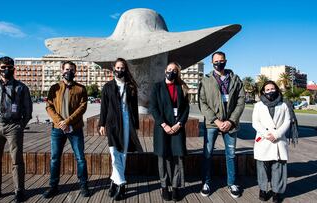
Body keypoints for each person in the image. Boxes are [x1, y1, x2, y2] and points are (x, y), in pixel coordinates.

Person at [0, 56, 33, 202]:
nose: (6, 69)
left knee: (17, 160)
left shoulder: (21, 88)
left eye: (9, 67)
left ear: (13, 69)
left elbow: (28, 111)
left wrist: (20, 125)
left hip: (13, 126)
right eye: (3, 67)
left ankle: (19, 190)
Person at [198, 51, 245, 198]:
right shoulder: (206, 80)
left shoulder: (236, 79)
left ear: (226, 61)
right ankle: (206, 182)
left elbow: (241, 101)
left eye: (221, 60)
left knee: (230, 154)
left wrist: (231, 121)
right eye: (216, 61)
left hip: (230, 124)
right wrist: (216, 121)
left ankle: (232, 183)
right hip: (212, 124)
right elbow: (202, 102)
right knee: (207, 153)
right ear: (212, 63)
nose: (219, 63)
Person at [43, 61, 90, 198]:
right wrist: (59, 122)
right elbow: (49, 106)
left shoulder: (81, 89)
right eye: (67, 69)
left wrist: (68, 121)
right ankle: (53, 186)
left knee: (80, 158)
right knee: (55, 158)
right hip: (57, 129)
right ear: (62, 70)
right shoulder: (54, 88)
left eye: (72, 70)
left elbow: (82, 108)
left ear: (75, 72)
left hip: (74, 128)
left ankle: (83, 185)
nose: (68, 72)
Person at [99, 58, 143, 201]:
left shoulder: (130, 86)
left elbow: (135, 108)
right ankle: (122, 183)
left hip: (127, 122)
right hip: (112, 123)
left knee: (123, 154)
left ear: (126, 69)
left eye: (122, 68)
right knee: (114, 153)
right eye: (117, 68)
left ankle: (114, 182)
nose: (119, 70)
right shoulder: (107, 87)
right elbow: (103, 107)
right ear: (113, 68)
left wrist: (135, 125)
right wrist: (101, 124)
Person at [149, 62, 190, 201]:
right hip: (162, 128)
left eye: (174, 70)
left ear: (177, 73)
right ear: (165, 70)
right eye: (169, 69)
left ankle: (176, 187)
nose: (171, 72)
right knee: (163, 157)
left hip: (177, 127)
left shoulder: (182, 87)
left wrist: (179, 124)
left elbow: (186, 109)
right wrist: (164, 124)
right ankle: (164, 186)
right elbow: (153, 108)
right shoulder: (157, 87)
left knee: (178, 158)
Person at [252, 81, 291, 203]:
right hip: (263, 139)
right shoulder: (258, 105)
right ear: (263, 91)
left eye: (272, 89)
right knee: (262, 166)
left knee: (278, 166)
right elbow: (255, 122)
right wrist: (266, 134)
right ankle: (263, 189)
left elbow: (287, 121)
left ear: (277, 90)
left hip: (278, 140)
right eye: (267, 89)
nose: (270, 91)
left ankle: (276, 191)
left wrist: (276, 134)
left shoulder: (284, 105)